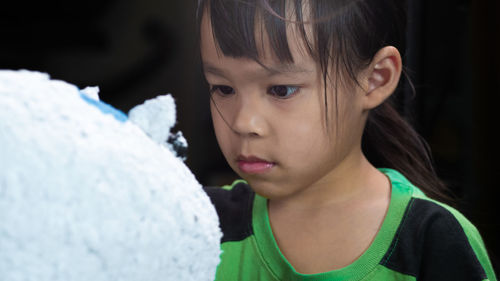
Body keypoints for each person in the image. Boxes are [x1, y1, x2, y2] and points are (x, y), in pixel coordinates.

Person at [198, 0, 497, 280]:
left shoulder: (433, 241)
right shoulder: (199, 225)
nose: (242, 123)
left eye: (281, 90)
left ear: (376, 79)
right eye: (223, 89)